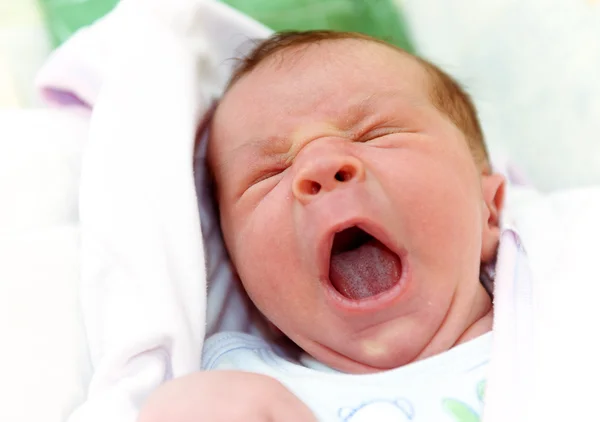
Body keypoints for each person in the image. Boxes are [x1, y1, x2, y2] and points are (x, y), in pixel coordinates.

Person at [138, 30, 508, 422]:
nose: (321, 165)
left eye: (375, 134)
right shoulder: (249, 392)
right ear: (248, 290)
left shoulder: (562, 316)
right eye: (269, 174)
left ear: (489, 208)